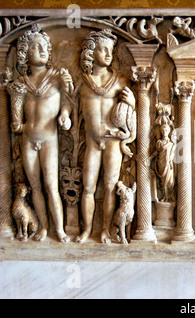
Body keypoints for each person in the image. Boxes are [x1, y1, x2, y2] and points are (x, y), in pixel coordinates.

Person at [8, 24, 72, 243]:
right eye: (36, 47)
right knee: (35, 187)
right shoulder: (21, 83)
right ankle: (44, 227)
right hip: (28, 138)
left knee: (51, 186)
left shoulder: (56, 77)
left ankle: (60, 230)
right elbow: (16, 117)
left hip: (49, 138)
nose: (43, 50)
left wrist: (65, 114)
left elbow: (67, 103)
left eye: (45, 47)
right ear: (25, 54)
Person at [76, 29, 136, 244]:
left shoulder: (119, 81)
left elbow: (131, 114)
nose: (108, 54)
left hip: (113, 141)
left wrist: (133, 103)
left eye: (110, 50)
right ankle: (87, 230)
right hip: (92, 141)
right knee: (88, 187)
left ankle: (104, 231)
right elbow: (70, 106)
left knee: (110, 186)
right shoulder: (83, 82)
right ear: (91, 53)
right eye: (102, 49)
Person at [146, 124, 176, 202]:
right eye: (163, 130)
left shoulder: (172, 143)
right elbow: (156, 152)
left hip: (168, 163)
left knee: (170, 180)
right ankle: (165, 196)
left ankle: (171, 196)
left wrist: (170, 159)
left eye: (166, 130)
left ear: (169, 131)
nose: (164, 132)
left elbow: (173, 153)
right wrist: (150, 158)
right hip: (161, 162)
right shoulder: (159, 142)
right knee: (162, 181)